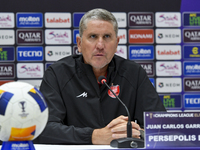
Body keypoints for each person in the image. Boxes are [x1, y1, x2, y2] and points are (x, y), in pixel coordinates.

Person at [34, 8, 166, 145]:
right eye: (93, 37)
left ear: (116, 44)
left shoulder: (134, 73)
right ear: (79, 43)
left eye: (107, 37)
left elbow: (161, 126)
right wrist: (94, 136)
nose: (100, 45)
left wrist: (136, 132)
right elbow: (43, 129)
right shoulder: (57, 74)